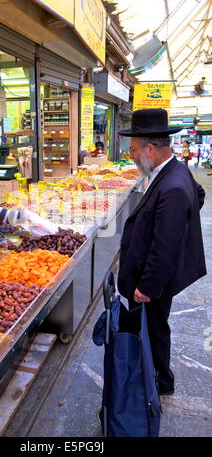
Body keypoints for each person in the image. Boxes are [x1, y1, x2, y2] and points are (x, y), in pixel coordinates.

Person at [117, 108, 206, 396]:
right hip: (153, 273)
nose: (131, 156)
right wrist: (179, 221)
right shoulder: (173, 170)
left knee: (155, 330)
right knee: (153, 327)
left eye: (132, 150)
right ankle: (151, 376)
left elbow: (165, 248)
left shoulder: (173, 186)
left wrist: (148, 286)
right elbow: (200, 195)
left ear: (150, 148)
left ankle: (159, 382)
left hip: (153, 279)